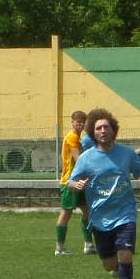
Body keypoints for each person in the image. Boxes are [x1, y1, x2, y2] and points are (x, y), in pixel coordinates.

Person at [67, 108, 140, 279]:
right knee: (108, 264)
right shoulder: (86, 158)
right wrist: (76, 185)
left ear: (113, 130)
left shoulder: (127, 153)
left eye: (106, 127)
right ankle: (117, 269)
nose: (103, 131)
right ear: (93, 133)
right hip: (100, 217)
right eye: (99, 128)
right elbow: (71, 181)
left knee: (125, 254)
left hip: (125, 214)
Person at [54, 108, 89, 255]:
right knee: (66, 213)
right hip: (70, 181)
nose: (80, 125)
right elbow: (78, 159)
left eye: (82, 122)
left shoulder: (77, 137)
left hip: (79, 181)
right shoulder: (72, 137)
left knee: (88, 210)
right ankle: (59, 247)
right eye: (78, 122)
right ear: (72, 122)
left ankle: (89, 245)